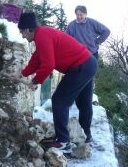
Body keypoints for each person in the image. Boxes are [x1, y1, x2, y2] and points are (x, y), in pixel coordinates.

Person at [14, 12, 98, 153]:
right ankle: (85, 136)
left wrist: (36, 81)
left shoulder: (42, 36)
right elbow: (37, 59)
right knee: (83, 103)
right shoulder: (43, 34)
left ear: (29, 29)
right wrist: (22, 74)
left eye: (22, 32)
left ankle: (63, 142)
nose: (22, 35)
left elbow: (48, 64)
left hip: (81, 66)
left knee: (59, 101)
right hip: (88, 63)